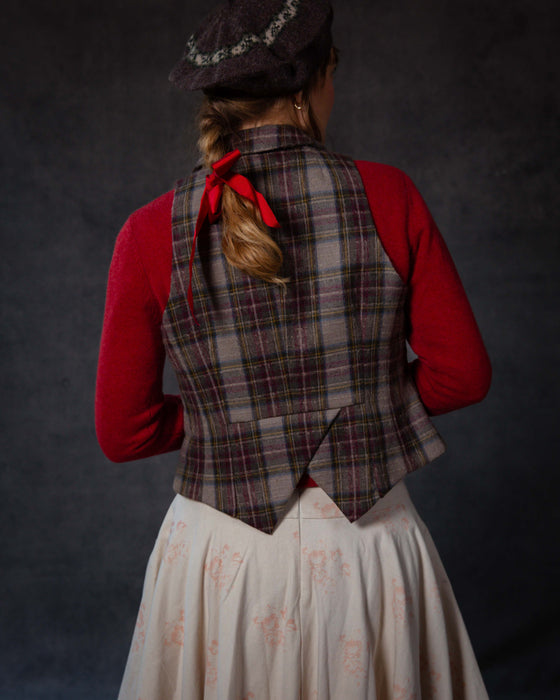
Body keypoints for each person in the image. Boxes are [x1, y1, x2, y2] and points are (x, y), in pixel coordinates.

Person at [96, 1, 492, 697]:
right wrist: (355, 411)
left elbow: (123, 433)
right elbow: (462, 376)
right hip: (368, 551)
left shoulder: (147, 230)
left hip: (222, 560)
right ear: (312, 87)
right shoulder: (390, 196)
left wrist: (232, 422)